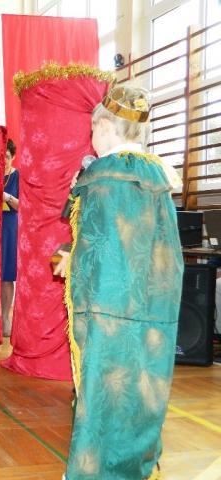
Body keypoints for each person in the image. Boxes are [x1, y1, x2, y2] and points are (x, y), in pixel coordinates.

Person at [53, 85, 183, 480]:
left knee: (104, 388)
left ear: (106, 127)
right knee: (142, 384)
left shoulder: (104, 176)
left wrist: (72, 259)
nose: (91, 136)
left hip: (107, 305)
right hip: (151, 304)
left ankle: (96, 472)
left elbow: (100, 245)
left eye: (94, 128)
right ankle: (138, 465)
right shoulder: (155, 175)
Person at [1, 139, 19, 337]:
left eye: (6, 156)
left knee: (6, 276)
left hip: (9, 229)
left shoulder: (17, 176)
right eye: (0, 157)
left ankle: (5, 318)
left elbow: (23, 206)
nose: (3, 160)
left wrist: (7, 197)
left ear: (13, 157)